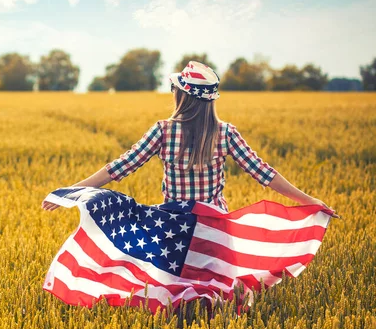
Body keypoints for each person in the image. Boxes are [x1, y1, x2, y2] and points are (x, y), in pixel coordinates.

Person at [42, 60, 340, 219]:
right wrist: (309, 200)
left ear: (180, 94)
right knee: (217, 291)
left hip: (174, 224)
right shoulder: (225, 133)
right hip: (215, 224)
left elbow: (118, 168)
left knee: (177, 294)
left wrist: (71, 191)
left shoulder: (162, 130)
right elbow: (265, 174)